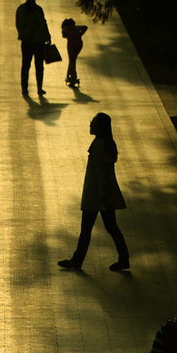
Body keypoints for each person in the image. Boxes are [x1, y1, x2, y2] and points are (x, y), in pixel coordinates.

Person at [58, 113, 131, 271]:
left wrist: (103, 195)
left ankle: (77, 260)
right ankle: (123, 258)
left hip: (98, 195)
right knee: (110, 226)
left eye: (93, 123)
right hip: (103, 195)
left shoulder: (99, 146)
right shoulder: (106, 144)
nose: (90, 125)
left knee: (87, 228)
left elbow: (100, 172)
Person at [15, 0, 51, 97]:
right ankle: (39, 88)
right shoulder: (38, 9)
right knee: (39, 66)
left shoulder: (21, 9)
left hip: (27, 41)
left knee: (26, 65)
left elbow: (18, 24)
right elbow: (43, 24)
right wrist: (47, 36)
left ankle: (24, 89)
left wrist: (23, 34)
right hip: (38, 41)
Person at [61, 18, 89, 87]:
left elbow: (64, 36)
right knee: (73, 60)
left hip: (71, 44)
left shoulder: (65, 28)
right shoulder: (76, 28)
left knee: (72, 61)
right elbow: (85, 27)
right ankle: (69, 75)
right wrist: (80, 34)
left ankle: (73, 77)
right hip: (79, 43)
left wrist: (67, 32)